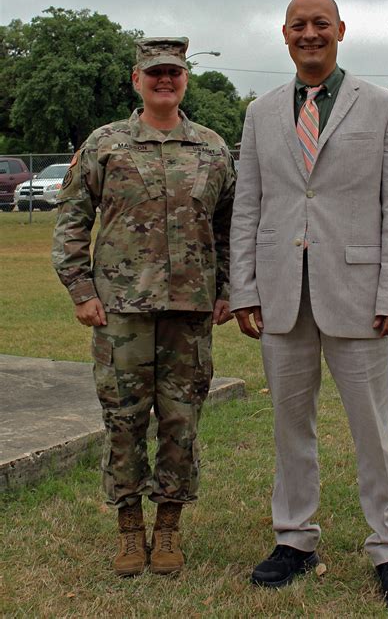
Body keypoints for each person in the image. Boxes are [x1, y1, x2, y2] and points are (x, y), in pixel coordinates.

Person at [230, 0, 388, 611]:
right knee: (291, 427)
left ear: (340, 30)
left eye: (320, 24)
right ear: (283, 35)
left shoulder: (385, 107)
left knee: (374, 430)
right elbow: (250, 207)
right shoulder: (259, 112)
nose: (309, 34)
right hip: (282, 292)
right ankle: (295, 538)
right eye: (297, 26)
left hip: (361, 294)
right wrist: (245, 288)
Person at [52, 37, 235, 577]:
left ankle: (170, 526)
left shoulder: (212, 148)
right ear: (137, 80)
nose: (164, 80)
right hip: (121, 314)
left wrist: (227, 289)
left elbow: (230, 229)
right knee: (124, 421)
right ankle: (130, 527)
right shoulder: (106, 144)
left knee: (181, 422)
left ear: (184, 81)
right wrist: (82, 291)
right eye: (154, 72)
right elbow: (71, 221)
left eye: (173, 73)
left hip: (190, 314)